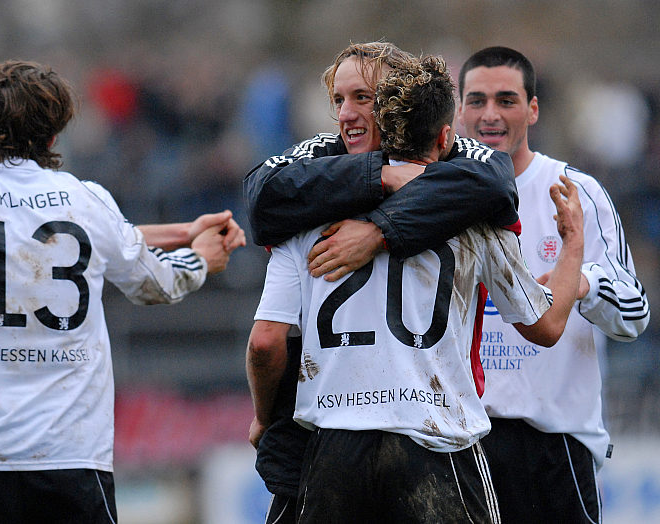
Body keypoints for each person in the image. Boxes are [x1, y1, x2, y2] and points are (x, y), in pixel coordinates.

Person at [0, 58, 243, 523]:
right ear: (54, 134)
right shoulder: (87, 201)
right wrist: (200, 257)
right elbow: (155, 283)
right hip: (70, 456)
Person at [248, 52, 586, 523]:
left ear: (390, 106)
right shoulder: (476, 217)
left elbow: (265, 342)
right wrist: (574, 245)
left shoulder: (304, 218)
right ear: (443, 134)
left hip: (333, 443)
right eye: (339, 99)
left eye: (362, 97)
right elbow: (545, 324)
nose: (346, 113)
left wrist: (265, 417)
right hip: (437, 437)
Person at [456, 46, 650, 523]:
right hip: (463, 443)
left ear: (533, 109)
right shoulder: (437, 196)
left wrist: (582, 282)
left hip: (554, 447)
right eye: (477, 100)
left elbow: (635, 313)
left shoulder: (574, 190)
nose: (490, 114)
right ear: (459, 111)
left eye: (506, 100)